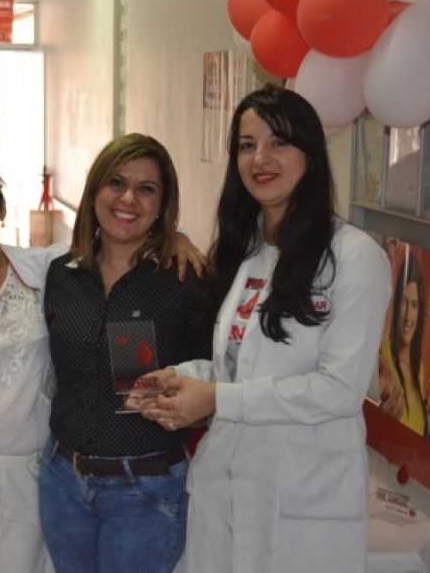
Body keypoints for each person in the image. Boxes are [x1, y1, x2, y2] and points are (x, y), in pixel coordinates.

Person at [0, 150, 204, 573]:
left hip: (37, 471)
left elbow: (121, 235)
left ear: (0, 208)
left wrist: (177, 236)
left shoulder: (47, 269)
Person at [138, 86, 391, 573]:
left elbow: (339, 390)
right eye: (247, 145)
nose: (260, 158)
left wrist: (216, 399)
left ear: (310, 155)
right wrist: (181, 377)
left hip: (300, 506)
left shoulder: (355, 257)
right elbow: (237, 365)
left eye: (279, 142)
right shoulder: (246, 250)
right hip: (227, 489)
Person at [37, 133, 211, 573]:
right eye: (116, 182)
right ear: (95, 189)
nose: (128, 198)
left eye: (146, 188)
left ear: (162, 204)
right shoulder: (60, 275)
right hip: (63, 483)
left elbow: (216, 373)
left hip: (146, 491)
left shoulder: (184, 279)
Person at [378, 252, 428, 436]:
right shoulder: (385, 358)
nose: (408, 317)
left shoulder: (420, 371)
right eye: (404, 302)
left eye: (414, 305)